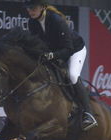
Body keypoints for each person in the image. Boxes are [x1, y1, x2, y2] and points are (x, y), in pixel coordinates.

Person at [24, 0, 98, 131]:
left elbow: (68, 49)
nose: (30, 11)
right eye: (28, 8)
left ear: (42, 7)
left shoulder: (56, 20)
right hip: (56, 52)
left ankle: (89, 114)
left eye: (33, 7)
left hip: (75, 50)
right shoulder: (32, 22)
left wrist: (52, 56)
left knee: (73, 75)